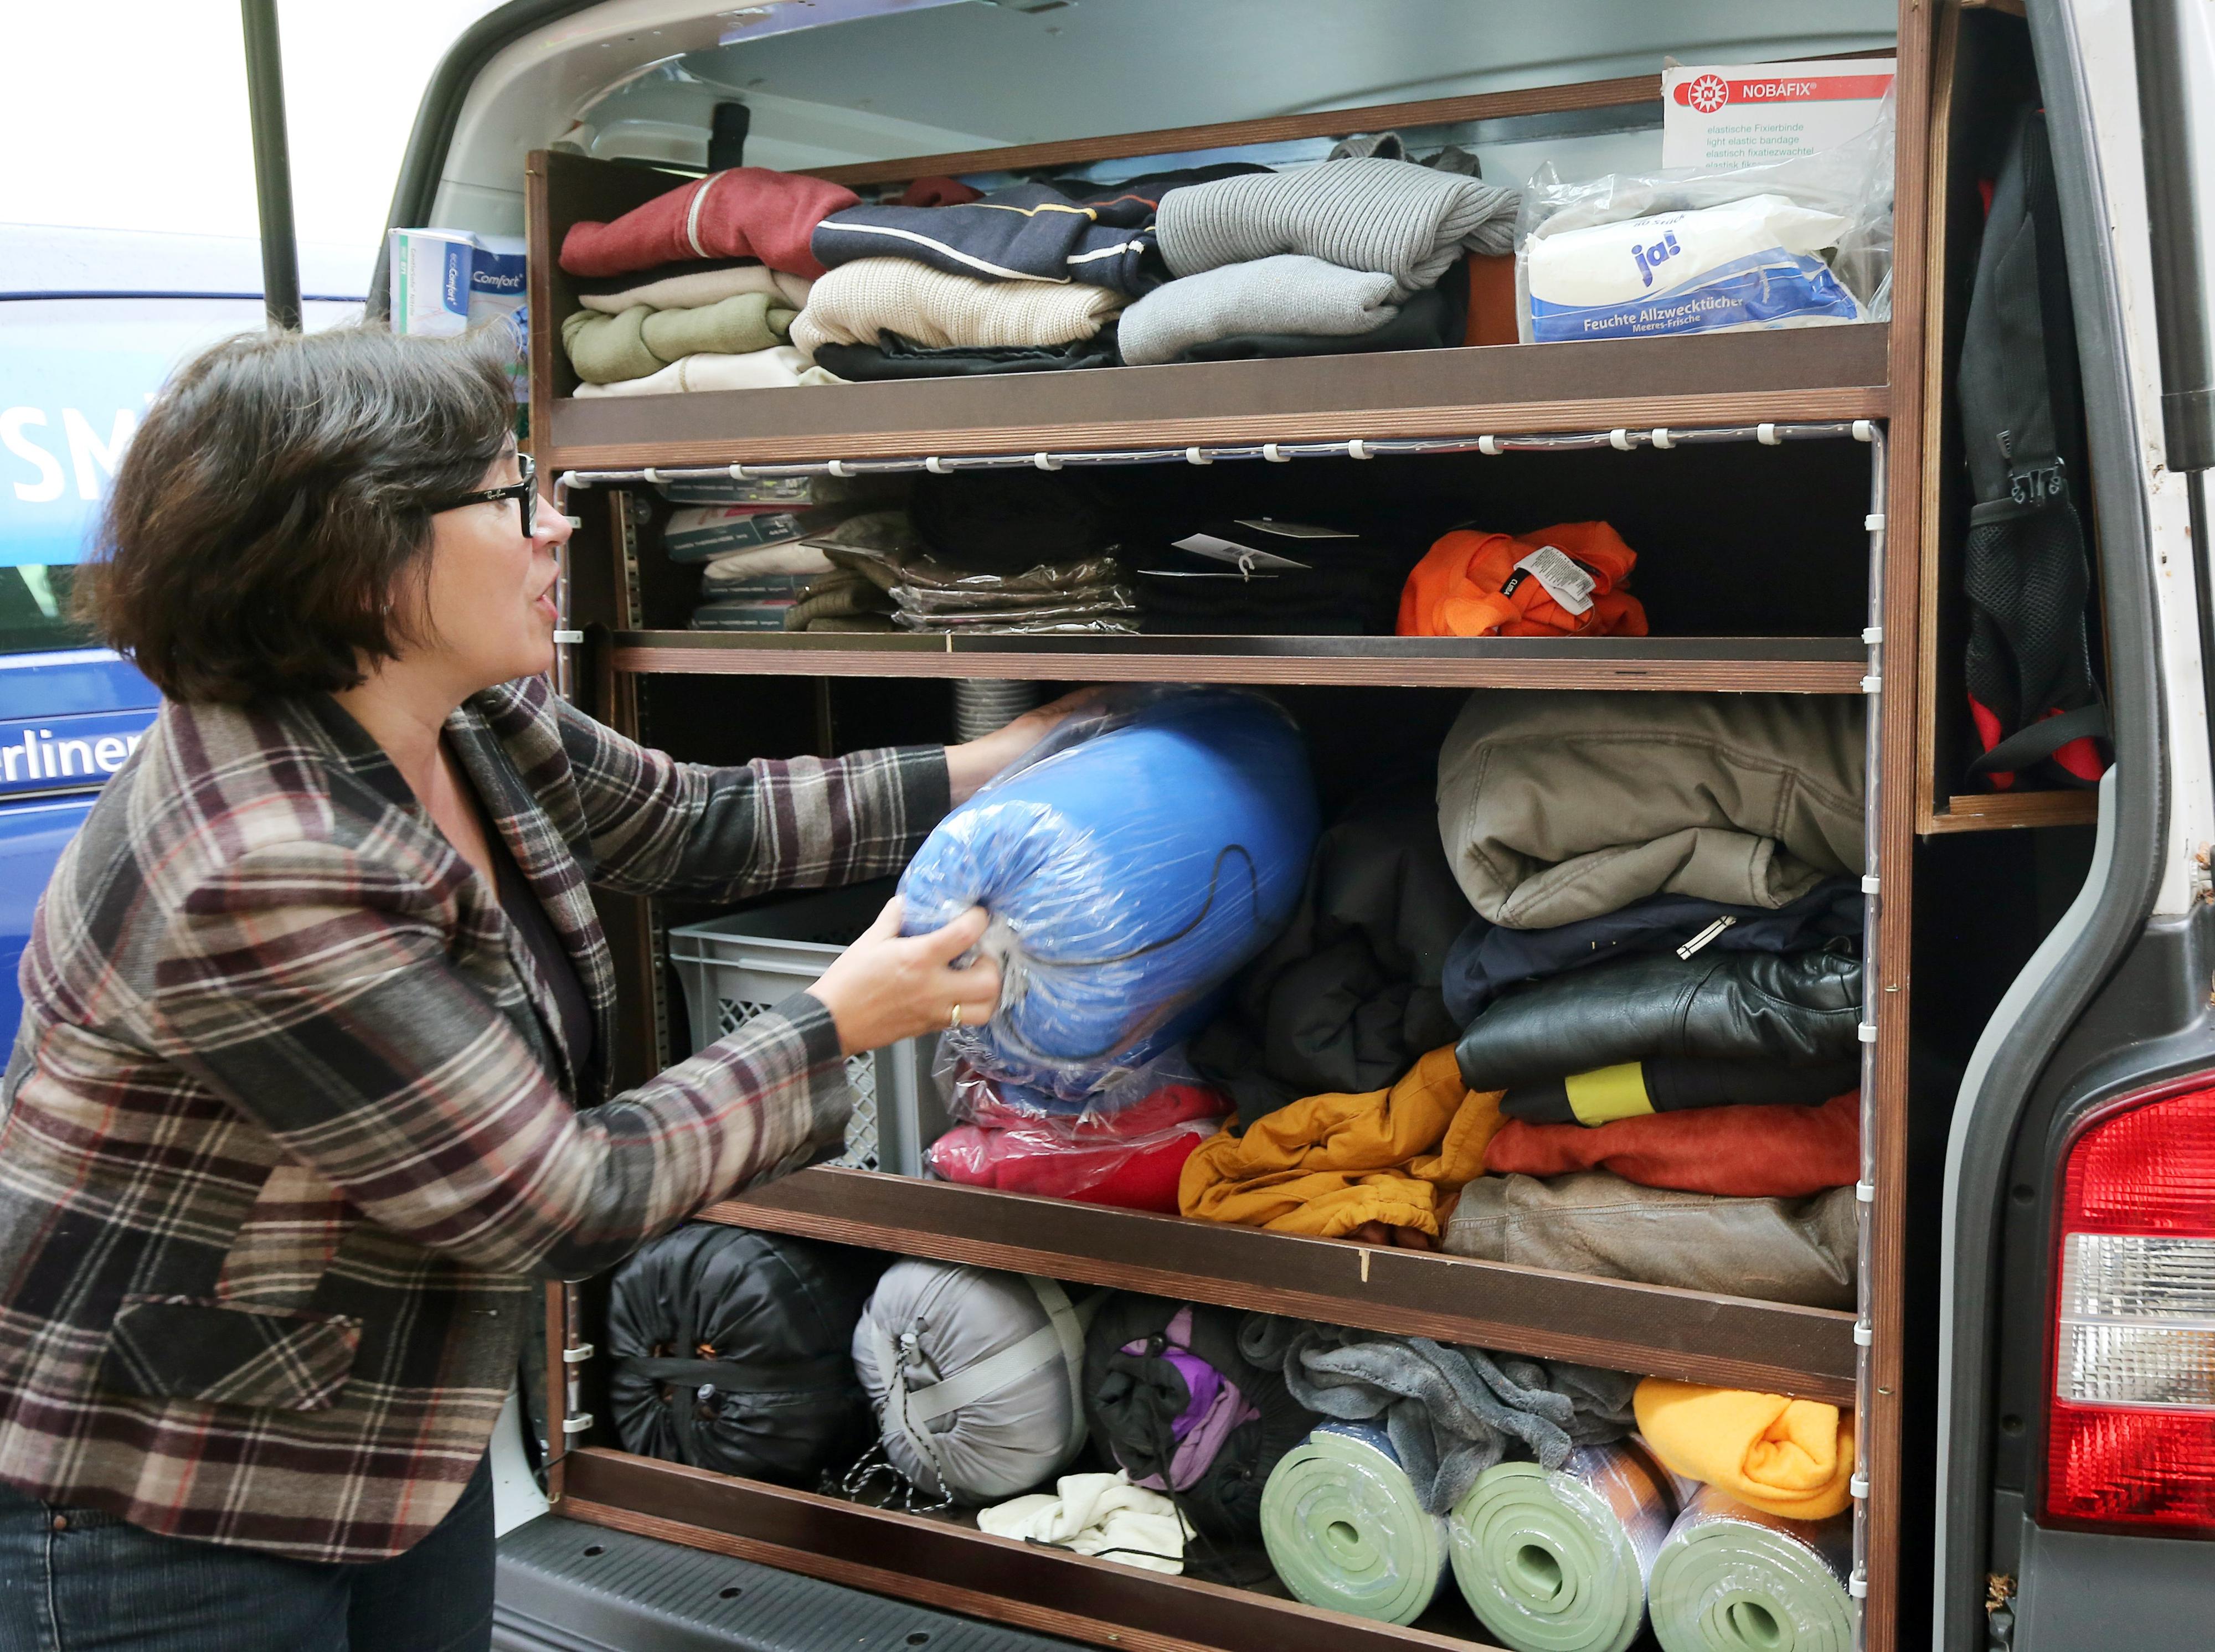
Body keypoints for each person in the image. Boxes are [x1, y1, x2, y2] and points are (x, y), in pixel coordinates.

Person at [0, 325, 1080, 1651]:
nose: (557, 524)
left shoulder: (458, 713)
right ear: (355, 555)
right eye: (514, 497)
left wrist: (1017, 753)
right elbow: (561, 1201)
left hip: (378, 1422)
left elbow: (694, 824)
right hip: (168, 1488)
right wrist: (840, 1018)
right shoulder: (260, 864)